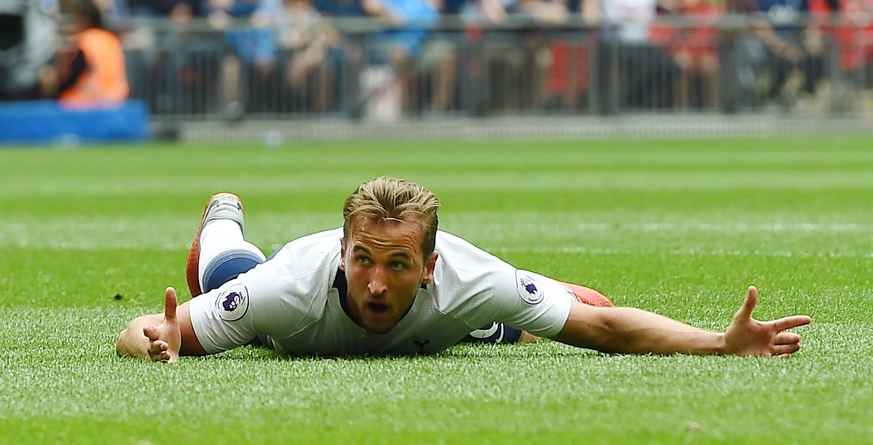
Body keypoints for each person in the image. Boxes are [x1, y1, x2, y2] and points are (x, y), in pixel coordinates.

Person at [116, 176, 811, 361]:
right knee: (225, 272)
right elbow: (147, 328)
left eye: (397, 264)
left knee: (525, 317)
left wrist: (719, 341)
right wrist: (157, 341)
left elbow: (602, 325)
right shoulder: (284, 290)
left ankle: (507, 320)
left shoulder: (467, 277)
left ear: (430, 265)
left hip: (449, 314)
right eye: (362, 261)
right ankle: (223, 214)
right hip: (277, 315)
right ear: (341, 252)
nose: (376, 282)